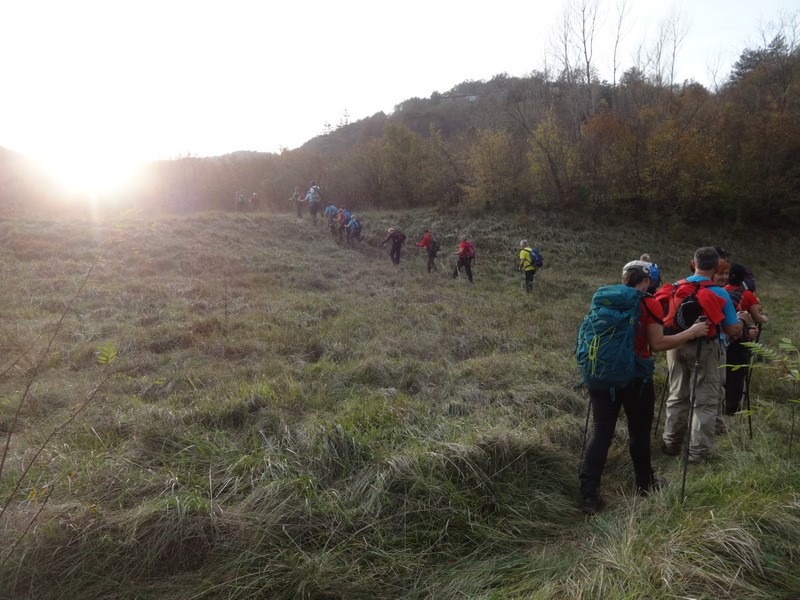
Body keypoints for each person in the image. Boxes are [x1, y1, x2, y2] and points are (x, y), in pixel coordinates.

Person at [580, 260, 710, 515]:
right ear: (648, 280)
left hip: (600, 374)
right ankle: (644, 483)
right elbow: (658, 344)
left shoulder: (604, 297)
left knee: (601, 433)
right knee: (639, 433)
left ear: (624, 277)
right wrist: (692, 332)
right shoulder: (647, 302)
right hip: (635, 377)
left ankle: (589, 495)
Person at [661, 247, 747, 464]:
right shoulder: (719, 292)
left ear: (694, 262)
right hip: (704, 348)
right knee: (705, 399)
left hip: (675, 343)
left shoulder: (676, 286)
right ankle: (698, 452)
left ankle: (671, 443)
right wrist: (743, 321)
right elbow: (731, 330)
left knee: (677, 393)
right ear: (715, 267)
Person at [724, 263, 769, 415]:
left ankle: (721, 401)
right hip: (741, 337)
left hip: (724, 337)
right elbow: (758, 318)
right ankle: (732, 406)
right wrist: (765, 318)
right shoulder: (748, 295)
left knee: (723, 369)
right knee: (737, 372)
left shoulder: (721, 291)